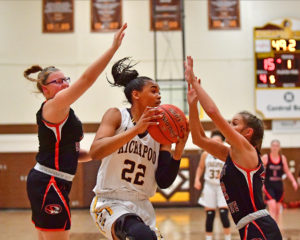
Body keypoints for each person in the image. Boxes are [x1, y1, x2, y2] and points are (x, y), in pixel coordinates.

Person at [24, 23, 127, 240]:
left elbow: (73, 154)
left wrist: (105, 148)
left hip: (53, 180)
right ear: (46, 89)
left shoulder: (64, 111)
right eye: (58, 81)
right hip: (48, 180)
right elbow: (88, 80)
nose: (64, 84)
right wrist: (112, 49)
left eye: (65, 80)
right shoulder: (52, 106)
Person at [89, 57, 189, 240]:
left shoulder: (161, 134)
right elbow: (95, 151)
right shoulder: (117, 116)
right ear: (136, 95)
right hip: (110, 201)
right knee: (141, 236)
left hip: (143, 205)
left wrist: (179, 150)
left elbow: (164, 181)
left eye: (160, 92)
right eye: (153, 91)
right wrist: (136, 130)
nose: (159, 95)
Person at [185, 56, 282, 240]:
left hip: (259, 227)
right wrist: (192, 105)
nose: (229, 126)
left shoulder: (247, 150)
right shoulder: (233, 154)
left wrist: (194, 82)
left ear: (248, 132)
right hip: (249, 226)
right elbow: (199, 139)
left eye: (235, 123)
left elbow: (213, 113)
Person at [194, 130, 231, 240]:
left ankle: (228, 238)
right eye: (213, 141)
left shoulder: (227, 154)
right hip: (209, 186)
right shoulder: (206, 154)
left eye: (218, 141)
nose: (215, 143)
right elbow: (200, 167)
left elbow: (232, 170)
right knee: (210, 215)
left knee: (224, 214)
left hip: (222, 187)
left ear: (222, 142)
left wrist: (225, 173)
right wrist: (197, 179)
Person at [262, 139, 298, 223]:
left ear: (279, 148)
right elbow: (260, 172)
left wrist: (293, 181)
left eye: (276, 146)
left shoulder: (282, 158)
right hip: (269, 185)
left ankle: (276, 229)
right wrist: (261, 184)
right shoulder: (266, 158)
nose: (275, 147)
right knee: (272, 207)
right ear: (270, 147)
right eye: (273, 145)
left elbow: (287, 171)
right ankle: (271, 229)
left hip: (279, 185)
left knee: (278, 210)